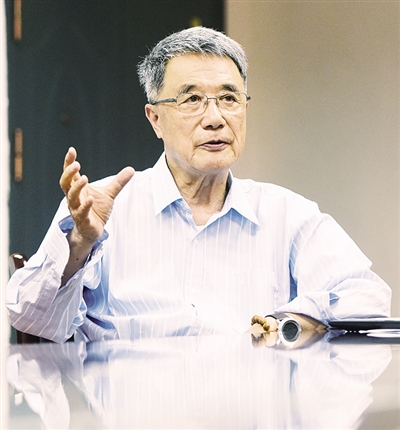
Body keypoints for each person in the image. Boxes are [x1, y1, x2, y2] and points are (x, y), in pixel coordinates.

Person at [6, 27, 391, 344]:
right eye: (192, 99)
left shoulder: (287, 214)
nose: (215, 118)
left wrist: (286, 322)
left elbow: (367, 298)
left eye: (229, 98)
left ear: (245, 109)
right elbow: (31, 318)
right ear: (155, 119)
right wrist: (79, 244)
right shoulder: (102, 207)